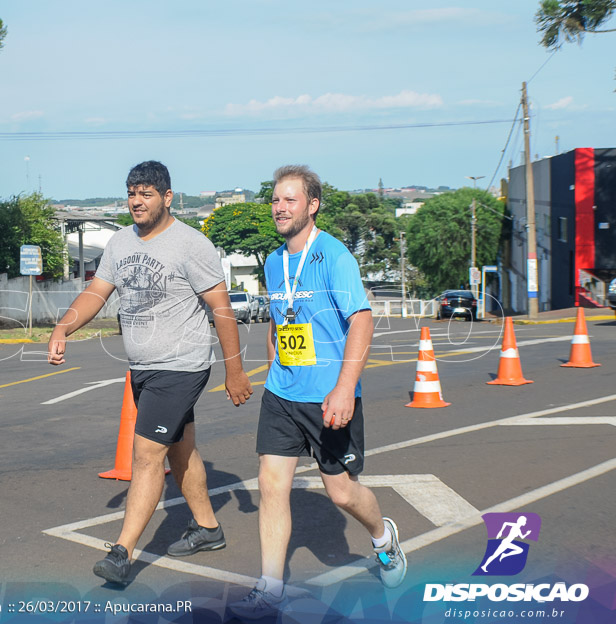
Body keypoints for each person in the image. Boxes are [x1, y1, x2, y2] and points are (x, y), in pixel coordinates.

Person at [48, 160, 253, 585]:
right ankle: (208, 529)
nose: (137, 201)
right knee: (180, 450)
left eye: (146, 193)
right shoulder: (121, 243)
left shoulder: (190, 244)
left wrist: (235, 371)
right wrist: (63, 326)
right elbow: (96, 292)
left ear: (167, 197)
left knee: (145, 456)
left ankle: (122, 552)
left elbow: (222, 310)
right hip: (143, 367)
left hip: (180, 366)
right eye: (131, 193)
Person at [229, 165, 407, 619]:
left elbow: (361, 320)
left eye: (290, 199)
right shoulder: (274, 260)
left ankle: (383, 539)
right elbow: (279, 319)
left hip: (330, 396)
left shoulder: (333, 255)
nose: (280, 207)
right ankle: (270, 589)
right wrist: (275, 368)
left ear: (312, 205)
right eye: (275, 199)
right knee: (271, 486)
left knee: (343, 494)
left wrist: (345, 388)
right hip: (283, 394)